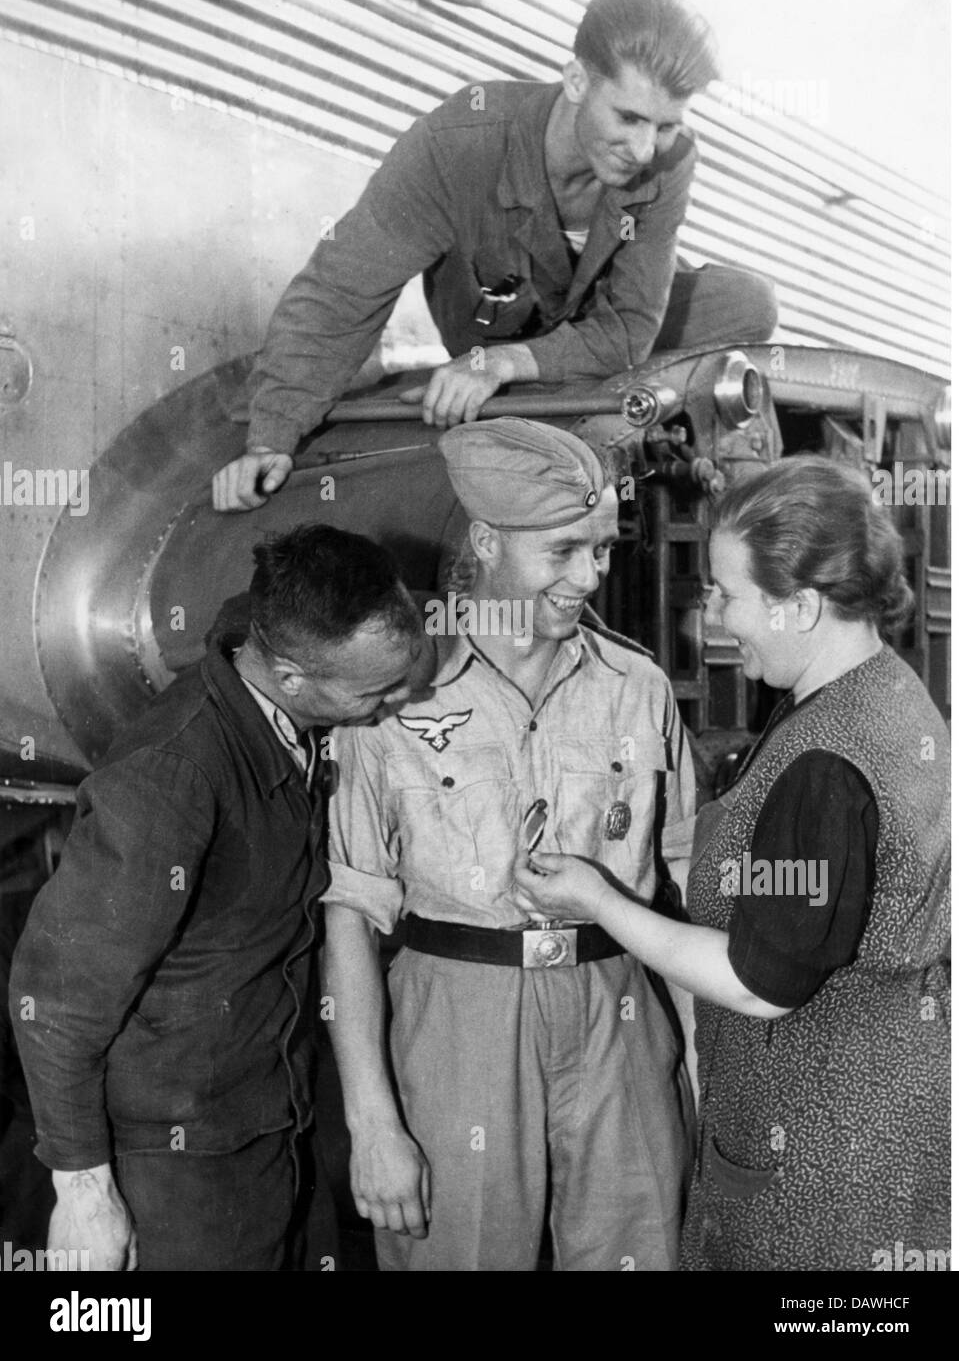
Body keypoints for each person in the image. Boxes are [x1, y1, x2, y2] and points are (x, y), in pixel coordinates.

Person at [514, 455, 950, 1272]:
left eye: (726, 595)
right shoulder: (892, 695)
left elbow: (758, 982)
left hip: (821, 1167)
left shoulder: (826, 762)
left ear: (803, 606)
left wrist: (598, 898)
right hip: (892, 1134)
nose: (712, 618)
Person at [321, 417, 696, 1271]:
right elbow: (350, 913)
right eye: (562, 552)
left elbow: (680, 880)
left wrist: (699, 1064)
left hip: (618, 1011)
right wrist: (372, 1121)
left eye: (601, 550)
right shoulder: (395, 700)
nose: (590, 577)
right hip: (458, 1016)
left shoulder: (636, 686)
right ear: (486, 542)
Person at [10, 524, 424, 1271]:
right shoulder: (172, 775)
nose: (398, 703)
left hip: (270, 1120)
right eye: (377, 692)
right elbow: (58, 1001)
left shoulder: (267, 656)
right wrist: (86, 1201)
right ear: (293, 677)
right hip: (176, 1162)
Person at [213, 0, 777, 511]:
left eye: (666, 125)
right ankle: (508, 388)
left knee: (749, 304)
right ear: (577, 80)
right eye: (628, 117)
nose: (645, 149)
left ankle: (546, 387)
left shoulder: (672, 160)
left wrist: (507, 366)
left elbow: (630, 326)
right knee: (346, 362)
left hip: (576, 343)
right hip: (494, 328)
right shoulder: (459, 143)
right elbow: (340, 292)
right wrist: (272, 438)